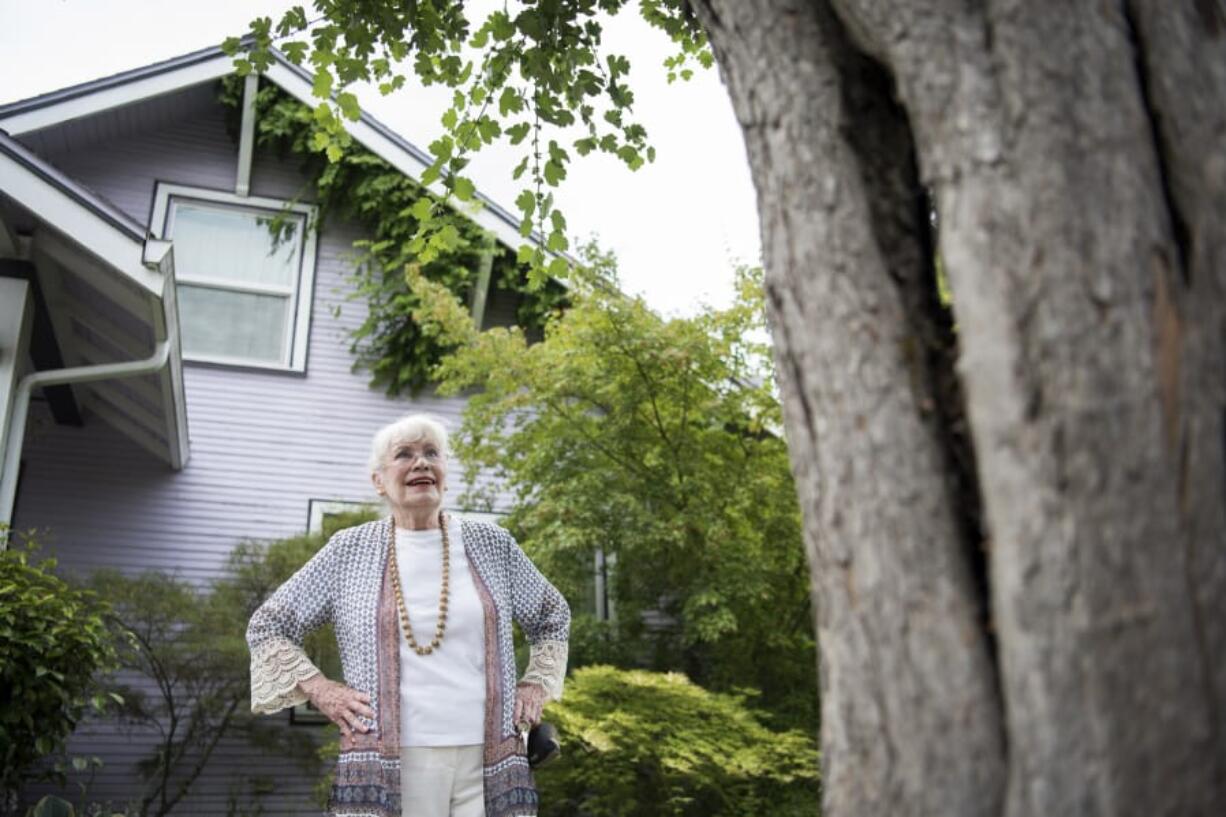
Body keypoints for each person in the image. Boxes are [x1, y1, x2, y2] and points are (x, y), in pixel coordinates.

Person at [247, 413, 570, 817]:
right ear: (379, 481)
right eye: (404, 454)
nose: (421, 463)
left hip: (491, 755)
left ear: (445, 475)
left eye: (432, 453)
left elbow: (552, 614)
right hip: (390, 759)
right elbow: (268, 626)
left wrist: (535, 685)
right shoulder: (349, 550)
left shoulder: (491, 544)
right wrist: (322, 691)